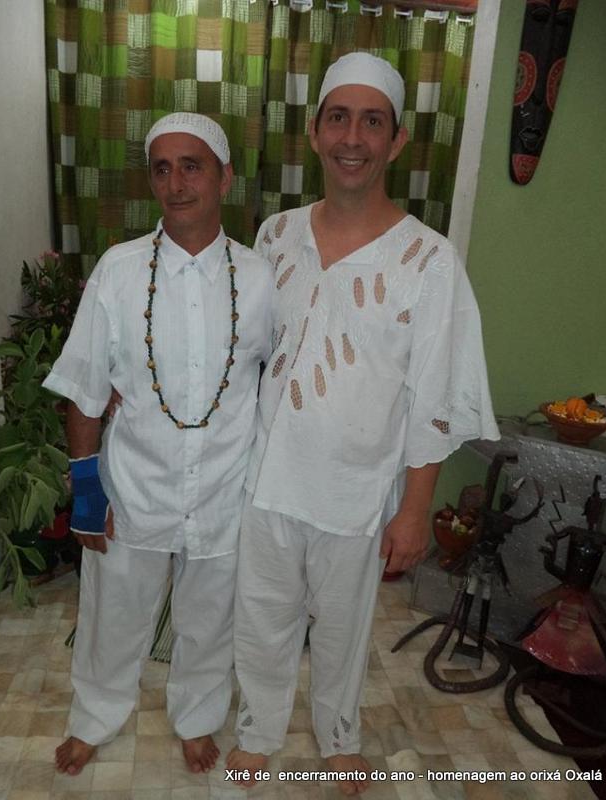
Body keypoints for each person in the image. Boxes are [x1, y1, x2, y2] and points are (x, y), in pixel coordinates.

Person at [226, 53, 500, 795]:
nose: (353, 137)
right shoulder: (275, 236)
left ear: (397, 139)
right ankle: (257, 730)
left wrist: (415, 508)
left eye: (372, 121)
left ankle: (339, 737)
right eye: (339, 118)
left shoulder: (429, 261)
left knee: (345, 631)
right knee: (261, 617)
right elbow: (247, 355)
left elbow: (434, 394)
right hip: (266, 476)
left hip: (355, 490)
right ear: (314, 132)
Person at [43, 113, 273, 776]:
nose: (176, 184)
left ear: (224, 178)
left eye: (191, 166)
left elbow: (281, 379)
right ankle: (95, 717)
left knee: (210, 620)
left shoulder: (260, 279)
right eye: (162, 168)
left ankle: (197, 719)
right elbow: (86, 388)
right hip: (135, 488)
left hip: (224, 490)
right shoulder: (119, 271)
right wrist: (87, 490)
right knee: (112, 615)